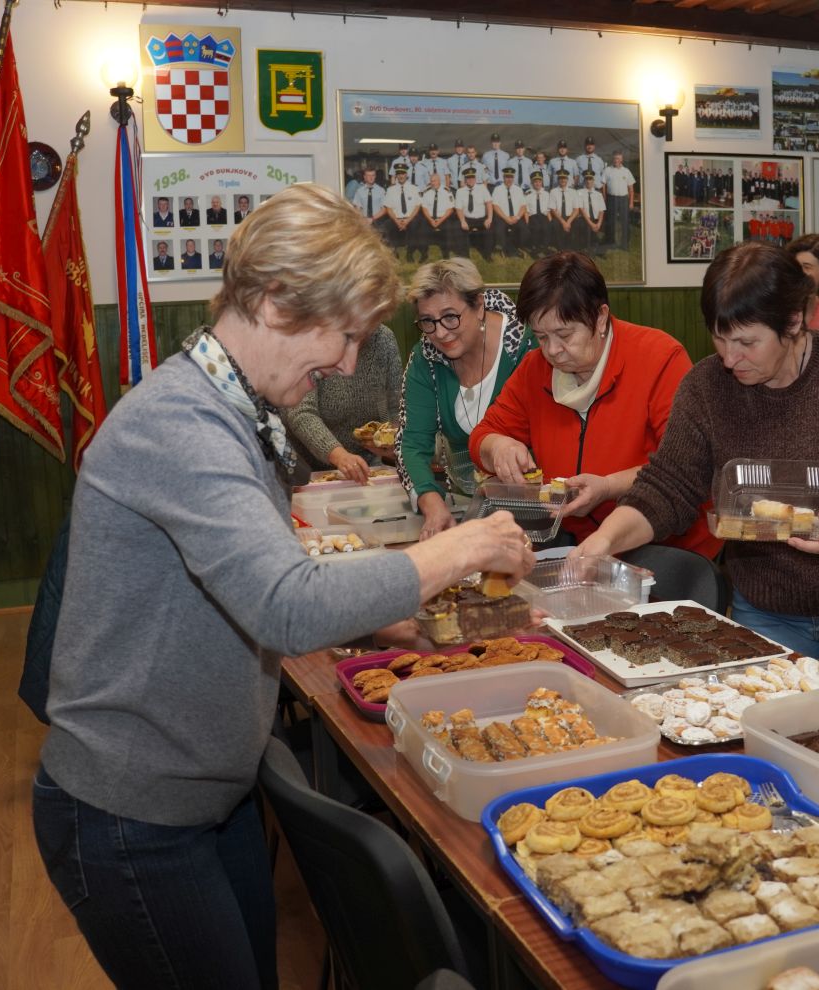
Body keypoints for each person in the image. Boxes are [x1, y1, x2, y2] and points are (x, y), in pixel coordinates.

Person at [32, 183, 534, 990]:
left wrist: (378, 625)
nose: (343, 362)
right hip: (133, 812)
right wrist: (462, 548)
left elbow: (247, 584)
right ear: (271, 302)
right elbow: (286, 603)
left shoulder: (225, 406)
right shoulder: (180, 422)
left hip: (206, 792)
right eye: (341, 335)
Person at [572, 242, 819, 656]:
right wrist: (604, 542)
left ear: (794, 321)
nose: (730, 359)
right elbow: (667, 486)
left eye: (747, 342)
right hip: (767, 610)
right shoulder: (706, 387)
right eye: (720, 338)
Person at [471, 252, 720, 558]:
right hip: (581, 543)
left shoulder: (658, 358)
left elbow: (685, 467)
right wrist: (497, 447)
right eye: (541, 336)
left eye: (564, 334)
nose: (552, 351)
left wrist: (608, 486)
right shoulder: (534, 368)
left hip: (666, 548)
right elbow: (484, 434)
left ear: (600, 317)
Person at [397, 259, 535, 539]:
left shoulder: (527, 345)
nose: (440, 332)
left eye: (450, 317)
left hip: (536, 513)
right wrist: (432, 503)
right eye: (427, 321)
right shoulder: (426, 358)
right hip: (467, 510)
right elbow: (411, 443)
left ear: (479, 305)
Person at [283, 325, 403, 481]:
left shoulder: (384, 339)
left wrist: (393, 440)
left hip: (367, 469)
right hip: (307, 471)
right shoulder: (312, 337)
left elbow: (396, 406)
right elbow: (300, 412)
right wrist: (339, 455)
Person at [601, 151, 635, 251]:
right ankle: (610, 242)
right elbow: (603, 186)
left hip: (624, 199)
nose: (616, 160)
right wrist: (604, 198)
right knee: (610, 222)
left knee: (625, 222)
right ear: (613, 159)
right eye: (615, 158)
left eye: (618, 158)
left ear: (621, 160)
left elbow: (631, 189)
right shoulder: (607, 170)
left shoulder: (626, 171)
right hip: (611, 198)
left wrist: (631, 202)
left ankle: (625, 245)